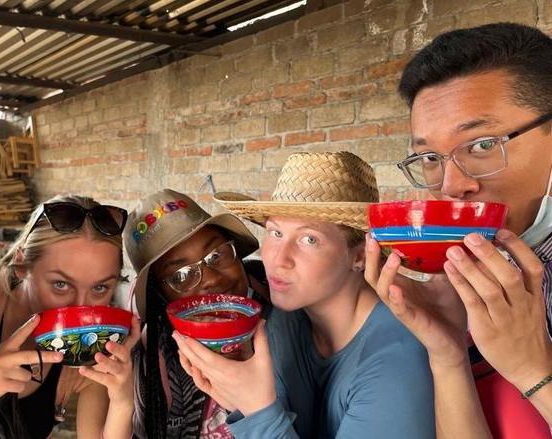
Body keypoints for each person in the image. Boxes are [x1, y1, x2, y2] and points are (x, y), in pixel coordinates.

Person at [365, 22, 552, 438]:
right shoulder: (487, 275)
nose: (451, 185)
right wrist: (447, 350)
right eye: (429, 157)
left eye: (482, 145)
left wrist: (532, 369)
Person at [174, 152, 435, 438]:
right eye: (275, 233)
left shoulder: (396, 365)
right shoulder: (284, 321)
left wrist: (257, 409)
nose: (278, 259)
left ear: (360, 256)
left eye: (309, 239)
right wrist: (237, 397)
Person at [0, 195, 140, 439]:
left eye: (99, 288)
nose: (80, 308)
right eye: (61, 284)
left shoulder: (91, 343)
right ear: (22, 264)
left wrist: (122, 401)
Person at [123, 189, 269, 439]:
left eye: (217, 255)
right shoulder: (153, 364)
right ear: (160, 296)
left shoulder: (287, 319)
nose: (211, 279)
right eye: (182, 275)